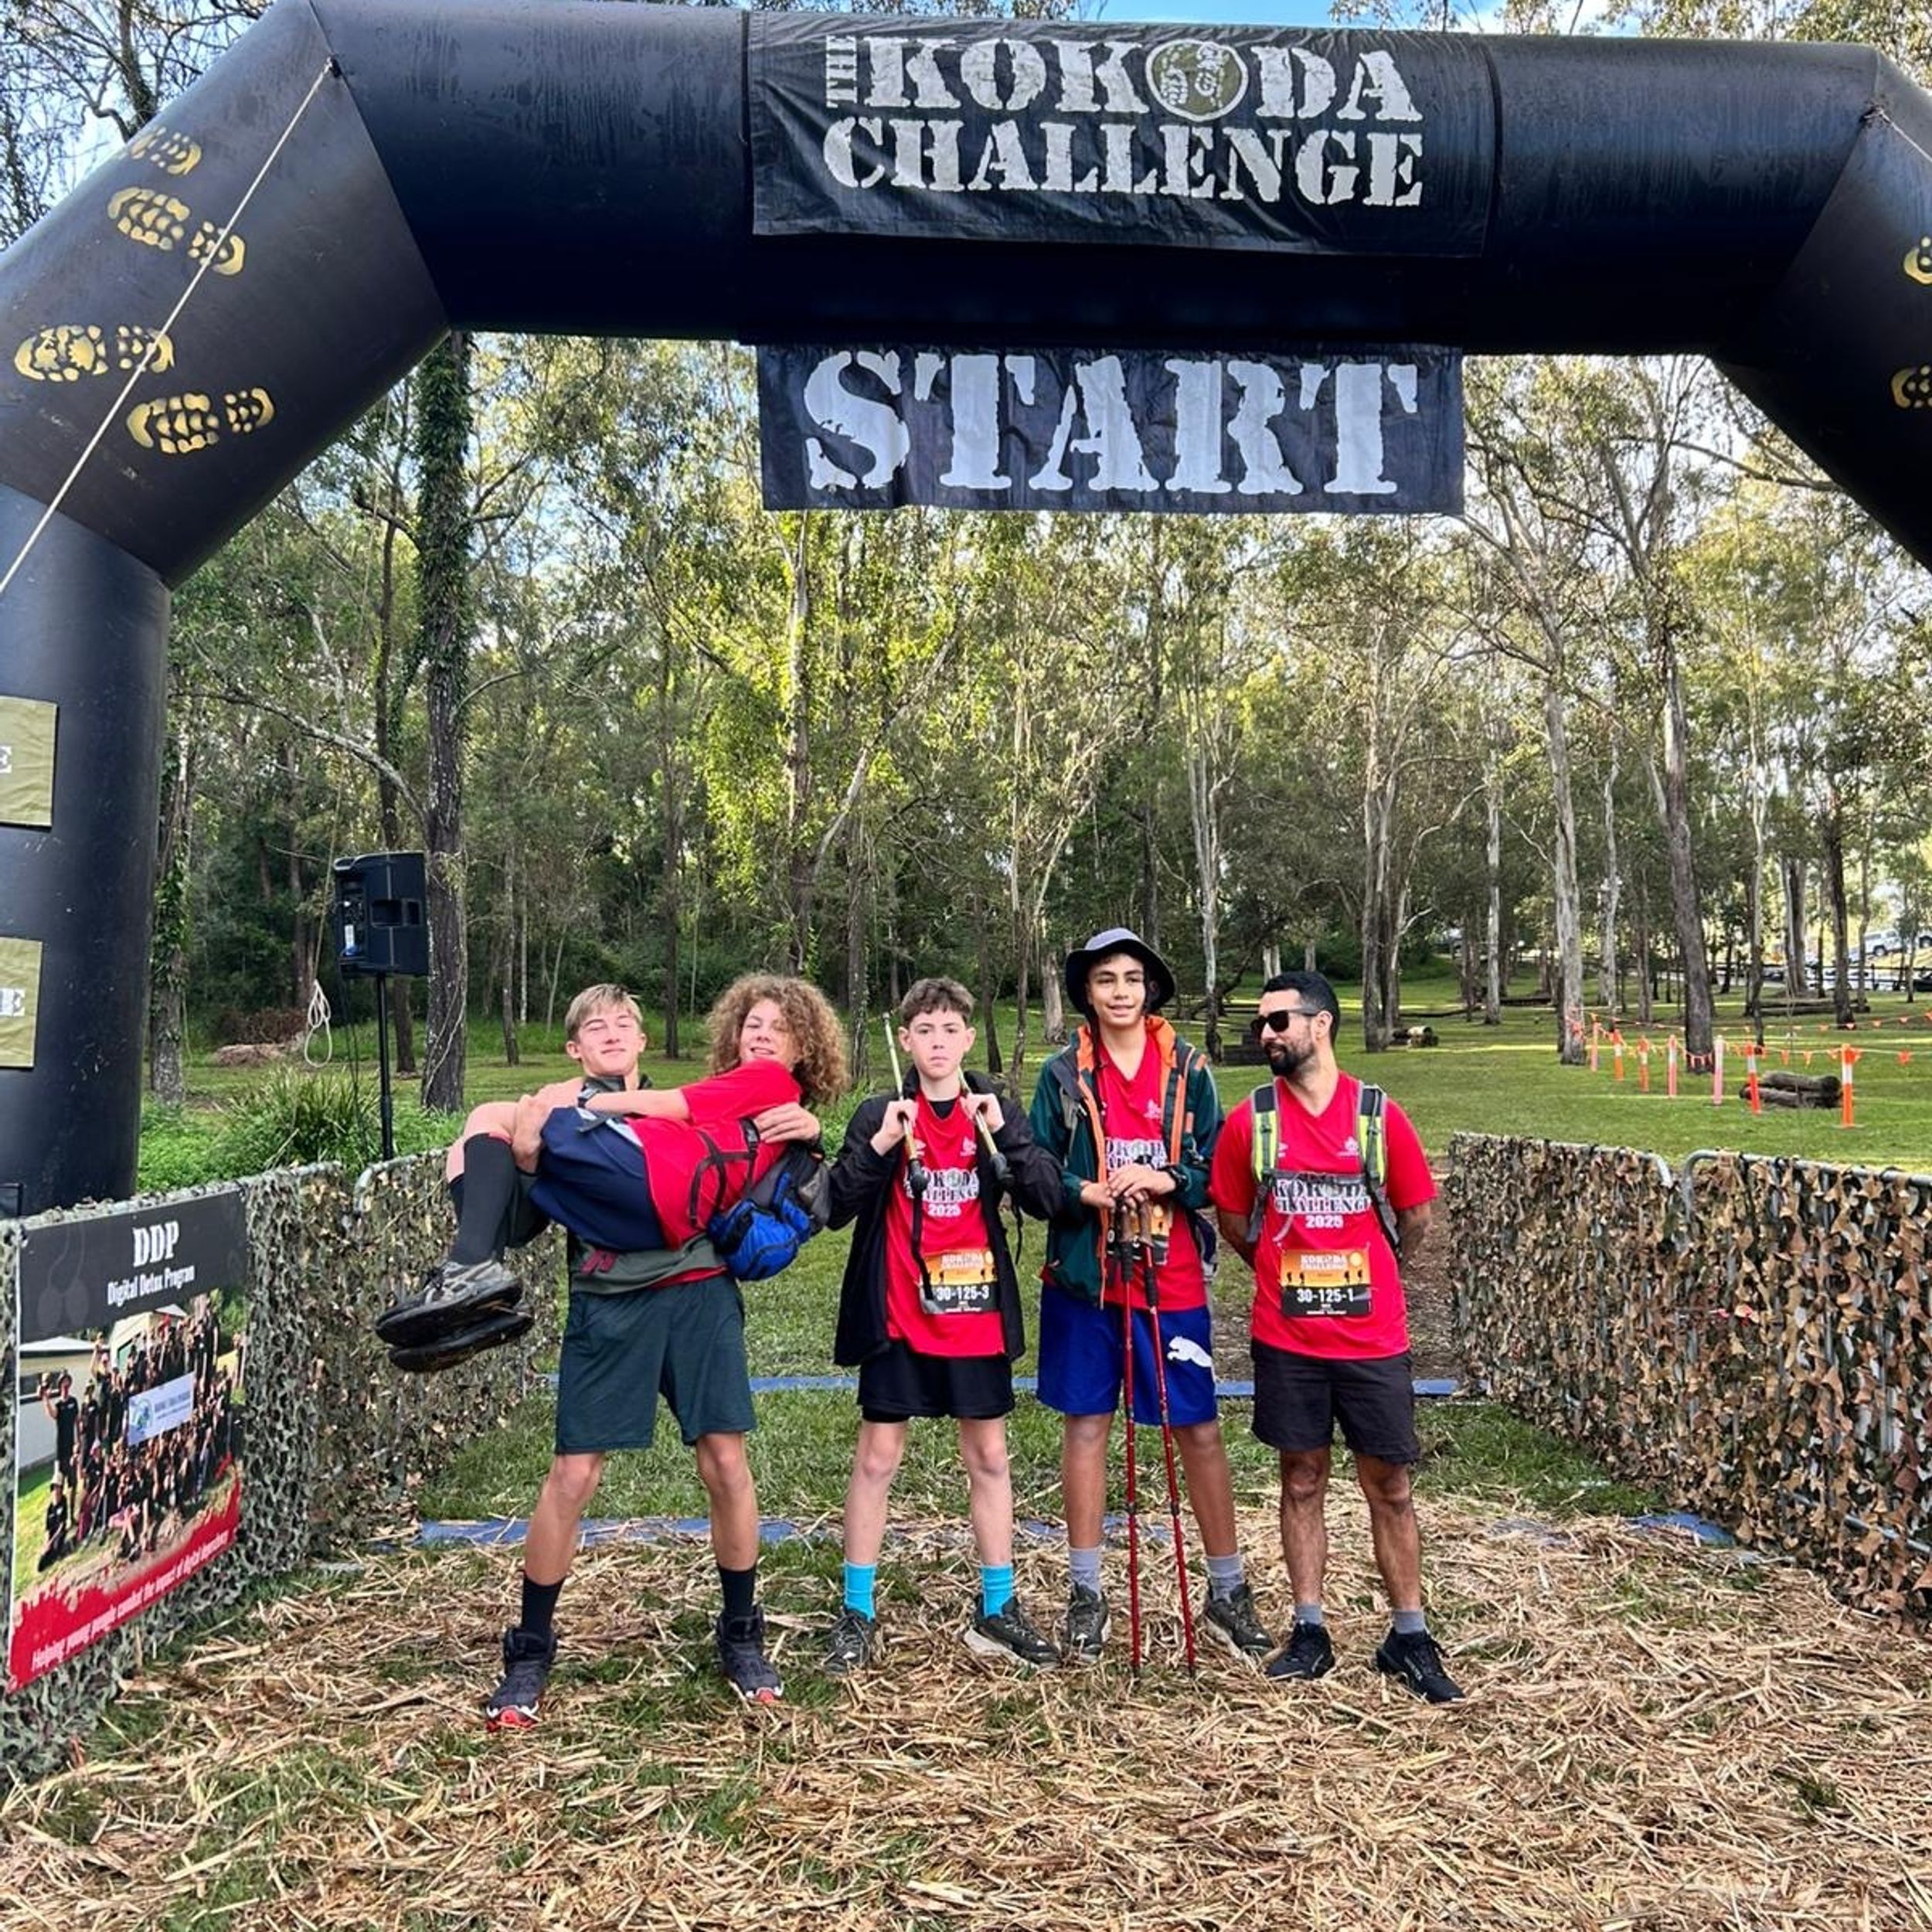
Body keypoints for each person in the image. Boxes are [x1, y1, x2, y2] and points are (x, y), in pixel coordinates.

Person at [456, 975, 845, 1726]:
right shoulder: (588, 1111)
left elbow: (778, 1162)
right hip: (609, 1300)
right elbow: (523, 1213)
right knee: (574, 1474)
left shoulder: (736, 1105)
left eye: (622, 1024)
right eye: (751, 1026)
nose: (761, 1036)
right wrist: (530, 1155)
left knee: (725, 1463)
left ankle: (742, 1634)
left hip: (698, 1295)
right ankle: (530, 1649)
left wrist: (811, 1132)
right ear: (575, 1046)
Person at [1209, 969, 1462, 1704]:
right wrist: (1280, 1272)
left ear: (1320, 1025)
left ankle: (1409, 1636)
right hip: (1288, 1341)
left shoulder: (1379, 1116)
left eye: (1278, 1022)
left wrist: (1373, 1274)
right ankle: (1309, 1629)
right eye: (1261, 1024)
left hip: (1372, 1341)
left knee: (1391, 1486)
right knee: (1301, 1479)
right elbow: (1233, 1219)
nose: (1266, 1035)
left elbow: (1415, 1218)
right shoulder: (1251, 1121)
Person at [1028, 927, 1270, 1666]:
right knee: (1087, 1425)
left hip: (1171, 1278)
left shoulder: (1189, 1068)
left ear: (1152, 988)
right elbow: (1034, 1169)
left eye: (1133, 978)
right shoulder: (1062, 1074)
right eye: (1106, 979)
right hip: (1086, 1279)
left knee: (1198, 1428)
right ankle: (1086, 1592)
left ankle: (1227, 1591)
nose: (1121, 991)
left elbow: (1218, 1167)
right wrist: (1086, 1191)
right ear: (1087, 991)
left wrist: (1167, 1178)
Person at [822, 978, 1066, 1675]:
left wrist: (1007, 1135)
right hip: (900, 1317)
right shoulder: (882, 1112)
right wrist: (879, 1146)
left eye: (950, 1029)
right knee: (877, 1459)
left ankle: (999, 1607)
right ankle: (857, 1610)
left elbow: (1047, 1197)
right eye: (924, 1030)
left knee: (988, 1457)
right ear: (905, 1040)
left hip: (975, 1317)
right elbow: (835, 1206)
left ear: (968, 1037)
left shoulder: (993, 1109)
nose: (937, 1042)